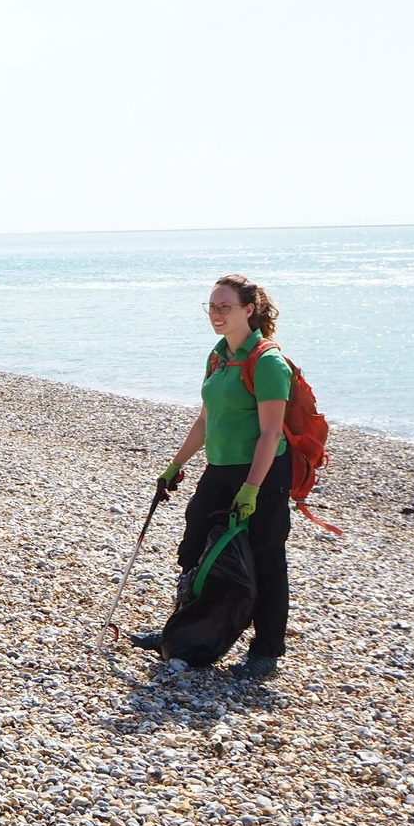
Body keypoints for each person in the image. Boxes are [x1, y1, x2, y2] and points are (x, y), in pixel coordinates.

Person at [139, 275, 296, 679]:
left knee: (265, 559)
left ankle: (265, 652)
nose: (216, 314)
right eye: (211, 306)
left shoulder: (268, 361)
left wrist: (251, 488)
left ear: (249, 309)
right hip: (220, 468)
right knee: (193, 549)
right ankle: (184, 630)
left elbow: (271, 433)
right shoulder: (218, 357)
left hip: (263, 472)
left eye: (224, 306)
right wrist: (175, 465)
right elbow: (207, 419)